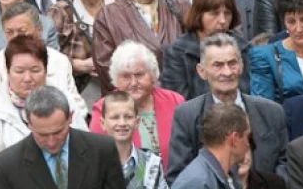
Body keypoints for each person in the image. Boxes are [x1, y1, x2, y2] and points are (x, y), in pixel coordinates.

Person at [165, 33, 288, 185]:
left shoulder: (272, 112)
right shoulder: (187, 115)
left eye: (232, 63)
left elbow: (285, 165)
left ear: (242, 66)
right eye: (218, 65)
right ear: (202, 71)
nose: (227, 72)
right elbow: (178, 175)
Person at [0, 84, 124, 189]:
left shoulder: (102, 150)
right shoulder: (6, 166)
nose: (51, 142)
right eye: (42, 135)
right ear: (29, 124)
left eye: (58, 132)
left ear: (70, 118)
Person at [93, 0, 188, 93]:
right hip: (131, 96)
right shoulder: (108, 15)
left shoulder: (178, 7)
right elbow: (105, 66)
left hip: (178, 94)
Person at [89, 41, 184, 170]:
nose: (133, 83)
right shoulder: (103, 109)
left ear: (152, 75)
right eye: (126, 76)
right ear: (116, 79)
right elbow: (97, 158)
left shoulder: (175, 102)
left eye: (139, 75)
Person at [0, 37, 88, 148]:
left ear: (46, 70)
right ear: (8, 72)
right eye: (19, 71)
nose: (27, 78)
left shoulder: (65, 100)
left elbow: (83, 144)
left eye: (35, 70)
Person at [48, 0, 116, 107]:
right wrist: (76, 65)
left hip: (116, 96)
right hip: (74, 99)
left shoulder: (120, 10)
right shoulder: (59, 12)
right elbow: (45, 56)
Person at [162, 0, 248, 100]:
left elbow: (251, 93)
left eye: (227, 13)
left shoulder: (243, 47)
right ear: (198, 15)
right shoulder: (177, 52)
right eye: (215, 13)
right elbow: (177, 99)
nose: (222, 20)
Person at [98, 90, 168, 189]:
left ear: (137, 122)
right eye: (115, 117)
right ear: (102, 123)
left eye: (128, 117)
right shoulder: (92, 164)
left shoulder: (152, 163)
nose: (122, 123)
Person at [170, 103, 250, 189]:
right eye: (247, 136)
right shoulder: (197, 183)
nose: (248, 144)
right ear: (234, 139)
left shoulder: (229, 176)